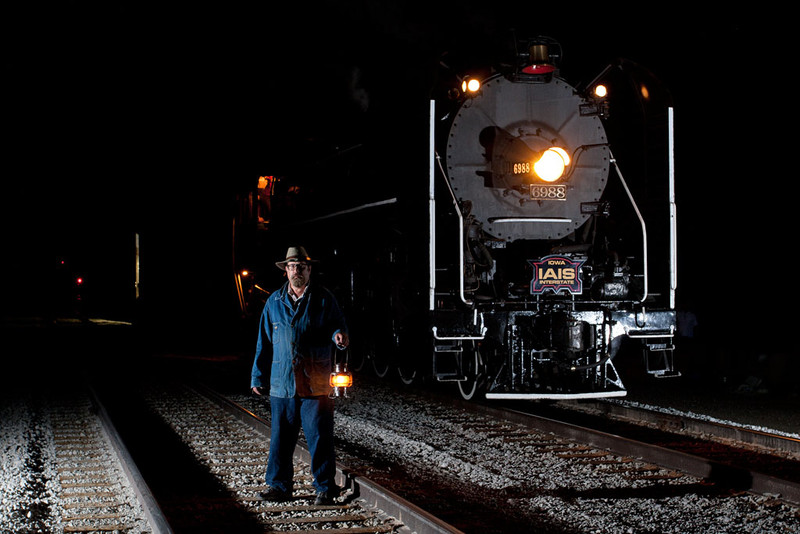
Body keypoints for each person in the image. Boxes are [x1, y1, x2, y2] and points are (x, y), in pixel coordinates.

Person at [250, 246, 350, 505]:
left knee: (320, 437)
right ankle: (279, 487)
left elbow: (338, 325)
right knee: (280, 438)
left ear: (309, 270)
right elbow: (264, 342)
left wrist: (339, 335)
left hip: (315, 382)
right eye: (292, 266)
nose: (297, 271)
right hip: (282, 383)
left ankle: (325, 488)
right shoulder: (274, 302)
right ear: (286, 271)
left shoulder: (324, 299)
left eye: (302, 267)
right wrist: (257, 376)